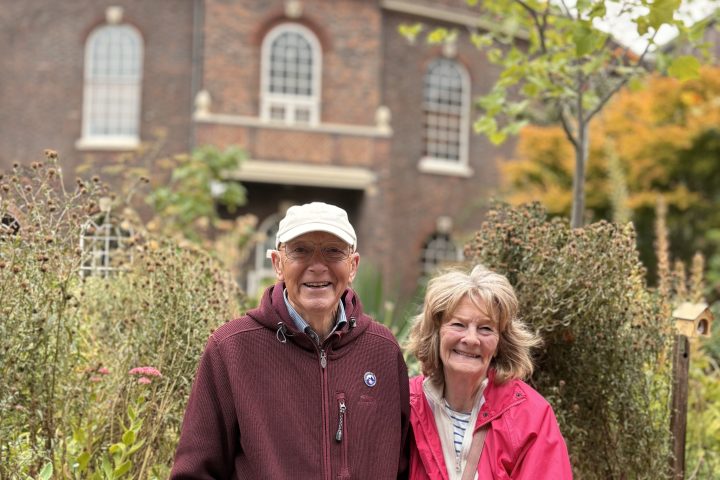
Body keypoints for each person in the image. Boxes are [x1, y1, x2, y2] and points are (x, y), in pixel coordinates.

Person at [171, 201, 410, 479]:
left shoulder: (383, 351)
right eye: (301, 251)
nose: (318, 266)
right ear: (277, 263)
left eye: (333, 251)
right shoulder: (231, 348)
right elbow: (195, 472)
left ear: (353, 265)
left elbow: (403, 468)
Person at [405, 265, 572, 479]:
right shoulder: (406, 406)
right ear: (436, 333)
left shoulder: (531, 416)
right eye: (458, 324)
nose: (471, 339)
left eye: (485, 328)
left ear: (499, 343)